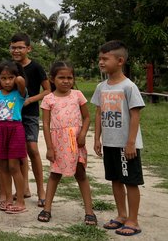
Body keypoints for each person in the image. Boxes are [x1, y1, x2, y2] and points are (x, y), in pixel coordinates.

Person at [92, 41, 145, 236]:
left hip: (126, 145)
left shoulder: (129, 87)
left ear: (120, 60)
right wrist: (97, 139)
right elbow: (98, 113)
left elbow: (136, 115)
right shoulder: (101, 86)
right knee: (115, 179)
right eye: (100, 58)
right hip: (110, 143)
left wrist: (130, 143)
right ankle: (122, 215)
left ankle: (133, 220)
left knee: (131, 181)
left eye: (105, 58)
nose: (101, 62)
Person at [38, 62, 95, 225]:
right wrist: (49, 147)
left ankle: (89, 212)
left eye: (69, 77)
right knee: (55, 174)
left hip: (76, 141)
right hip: (58, 142)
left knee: (81, 173)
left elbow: (87, 117)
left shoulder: (77, 95)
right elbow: (46, 125)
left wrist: (83, 134)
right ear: (52, 79)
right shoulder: (48, 99)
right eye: (61, 77)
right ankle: (47, 209)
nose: (66, 81)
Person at [10, 33, 50, 206]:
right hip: (12, 114)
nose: (17, 50)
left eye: (20, 47)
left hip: (30, 114)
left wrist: (31, 99)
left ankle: (41, 190)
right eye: (13, 47)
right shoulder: (10, 67)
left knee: (32, 149)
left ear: (28, 48)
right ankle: (24, 188)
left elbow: (48, 90)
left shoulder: (36, 67)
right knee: (19, 153)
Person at [0, 60, 28, 214]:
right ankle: (8, 198)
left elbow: (21, 82)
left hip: (15, 129)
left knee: (14, 166)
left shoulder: (19, 93)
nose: (7, 81)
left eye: (10, 78)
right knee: (3, 166)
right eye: (3, 78)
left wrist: (16, 75)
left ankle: (20, 200)